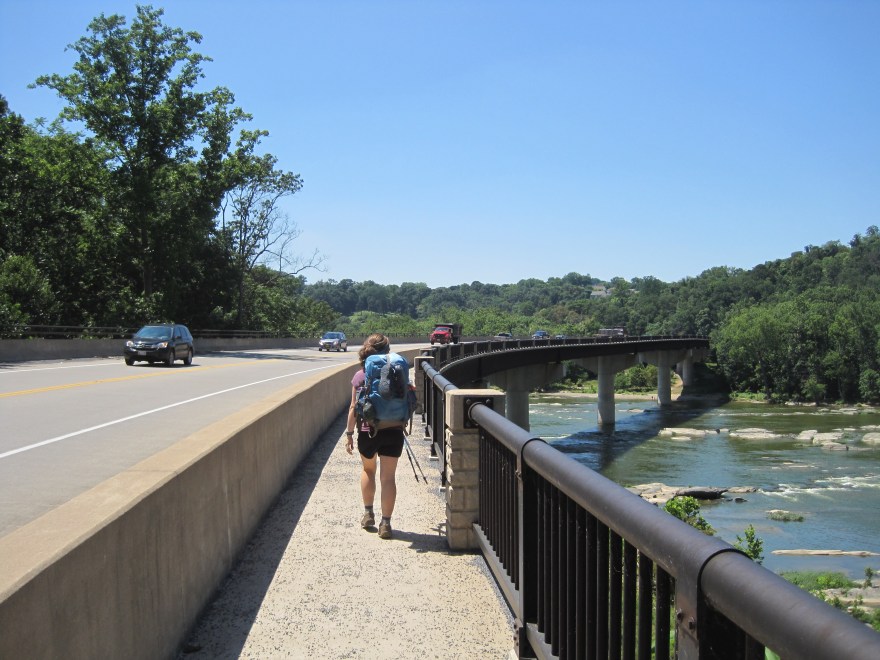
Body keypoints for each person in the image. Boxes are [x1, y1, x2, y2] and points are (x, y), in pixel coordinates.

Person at [344, 333, 404, 539]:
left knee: (368, 470)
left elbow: (353, 407)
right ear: (387, 351)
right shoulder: (397, 371)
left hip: (368, 430)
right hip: (394, 429)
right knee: (388, 477)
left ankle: (368, 513)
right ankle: (386, 524)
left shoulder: (360, 376)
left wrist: (350, 433)